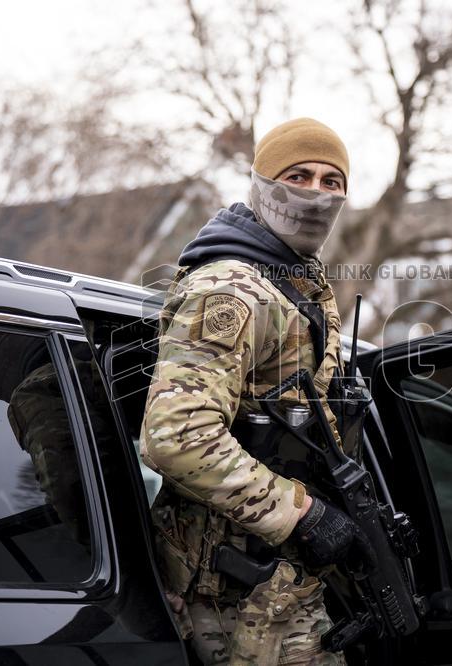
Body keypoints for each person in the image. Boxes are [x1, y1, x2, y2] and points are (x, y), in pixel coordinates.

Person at [140, 118, 370, 664]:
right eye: (297, 175)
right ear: (260, 182)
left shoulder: (292, 282)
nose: (315, 194)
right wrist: (305, 516)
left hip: (274, 585)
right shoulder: (233, 290)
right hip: (234, 593)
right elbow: (176, 437)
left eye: (330, 181)